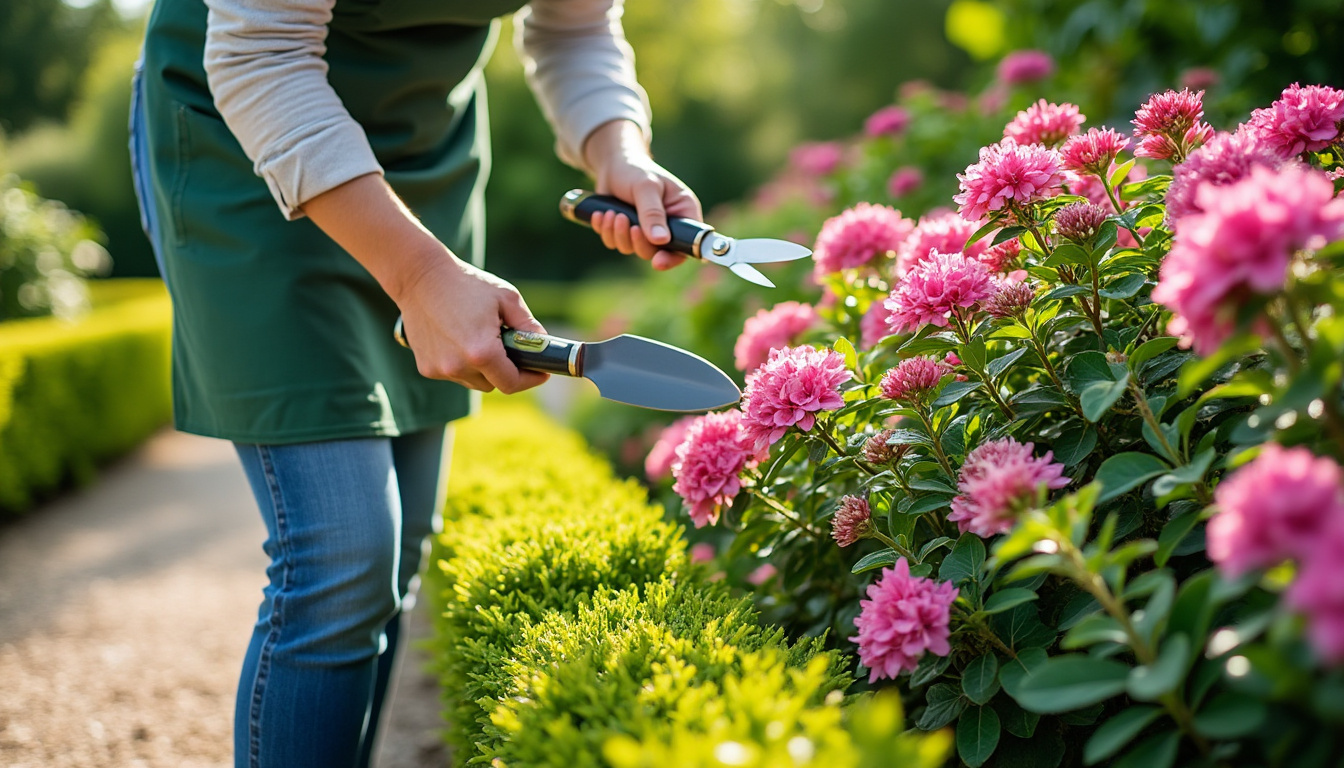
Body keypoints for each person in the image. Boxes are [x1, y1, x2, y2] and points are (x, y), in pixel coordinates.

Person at [129, 0, 698, 765]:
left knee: (396, 561)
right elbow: (261, 52)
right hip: (248, 140)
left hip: (422, 157)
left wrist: (617, 150)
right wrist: (421, 273)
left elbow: (576, 25)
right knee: (343, 556)